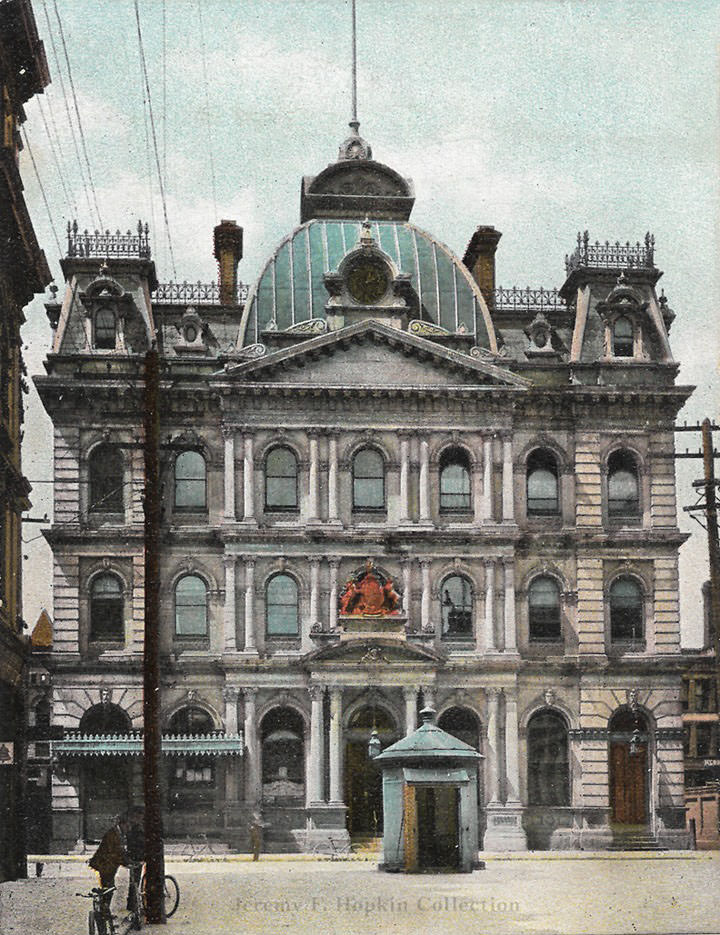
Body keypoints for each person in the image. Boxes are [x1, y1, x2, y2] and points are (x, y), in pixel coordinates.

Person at [88, 814, 129, 916]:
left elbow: (120, 851)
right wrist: (126, 862)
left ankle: (105, 911)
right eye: (127, 826)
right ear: (122, 824)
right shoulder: (113, 834)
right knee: (108, 888)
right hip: (105, 865)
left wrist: (127, 861)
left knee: (108, 888)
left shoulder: (117, 833)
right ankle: (103, 912)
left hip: (108, 865)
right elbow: (114, 852)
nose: (128, 829)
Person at [125, 806, 145, 912]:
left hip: (134, 855)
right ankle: (133, 903)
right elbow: (137, 843)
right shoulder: (136, 828)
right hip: (136, 856)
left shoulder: (133, 826)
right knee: (135, 880)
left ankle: (132, 902)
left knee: (134, 880)